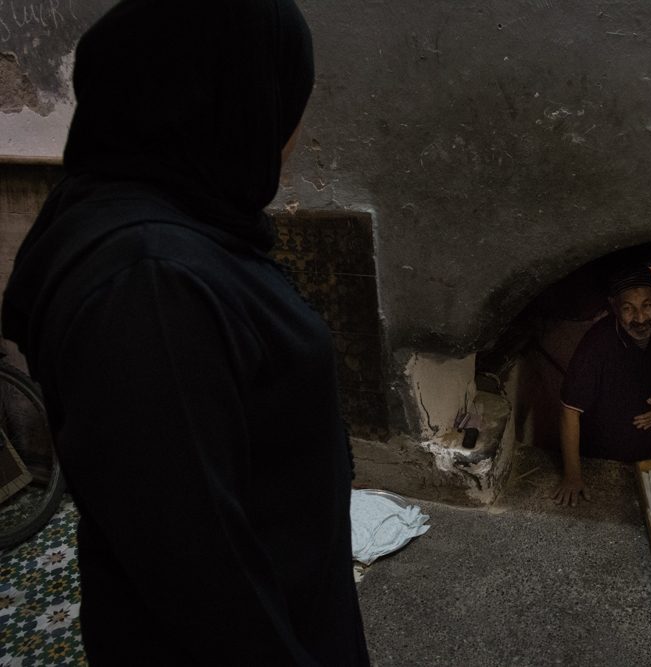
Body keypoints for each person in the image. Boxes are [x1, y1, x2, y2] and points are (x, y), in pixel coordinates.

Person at [1, 1, 369, 664]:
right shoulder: (149, 284)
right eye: (285, 96)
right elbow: (204, 585)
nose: (291, 126)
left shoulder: (174, 222)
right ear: (230, 99)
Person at [552, 266, 651, 506]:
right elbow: (569, 411)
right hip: (601, 457)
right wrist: (573, 476)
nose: (640, 318)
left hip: (648, 451)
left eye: (647, 305)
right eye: (628, 308)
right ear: (613, 305)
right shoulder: (597, 346)